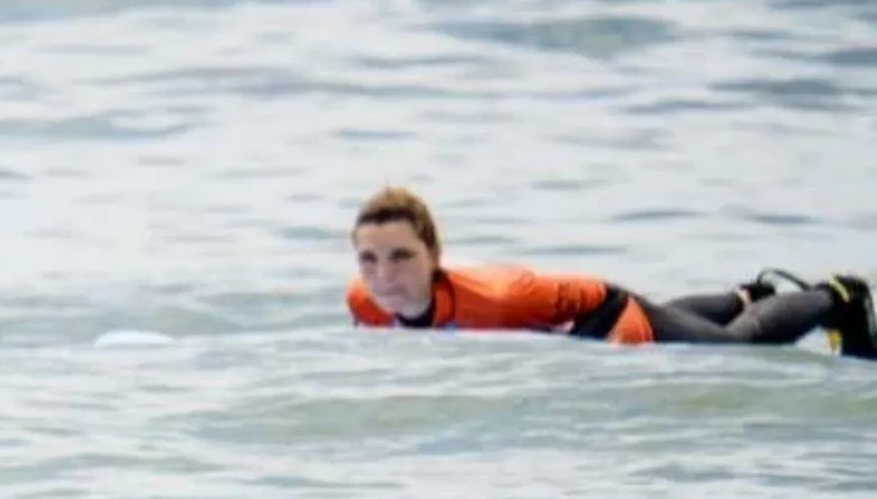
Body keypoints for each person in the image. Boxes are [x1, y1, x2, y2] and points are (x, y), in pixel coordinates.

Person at [345, 186, 874, 354]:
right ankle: (744, 294)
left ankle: (839, 297)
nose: (384, 276)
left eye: (401, 256)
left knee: (733, 347)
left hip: (606, 314)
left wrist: (613, 349)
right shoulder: (362, 304)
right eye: (369, 258)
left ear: (435, 256)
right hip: (573, 326)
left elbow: (598, 296)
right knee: (695, 320)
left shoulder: (501, 296)